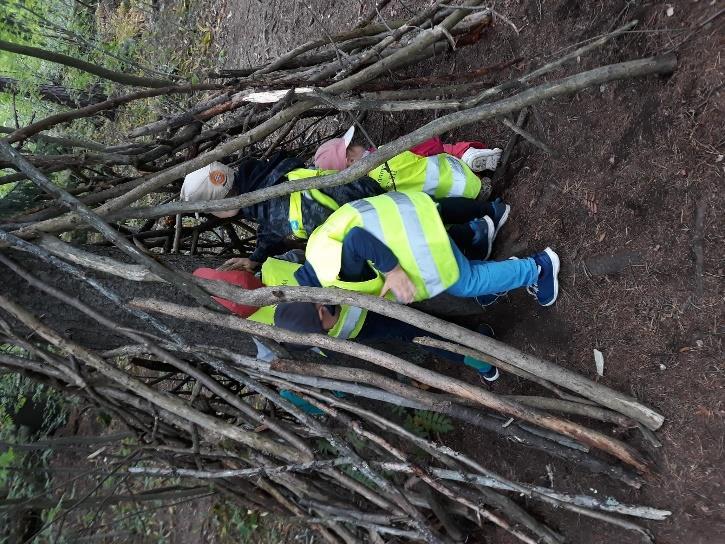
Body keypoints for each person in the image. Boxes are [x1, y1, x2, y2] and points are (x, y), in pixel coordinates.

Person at [272, 192, 560, 379]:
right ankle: (497, 241)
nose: (330, 328)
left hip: (411, 238)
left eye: (325, 327)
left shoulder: (331, 275)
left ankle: (537, 269)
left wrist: (393, 271)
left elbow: (357, 239)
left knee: (465, 282)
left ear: (320, 310)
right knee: (464, 275)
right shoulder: (313, 262)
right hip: (405, 220)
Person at [192, 252, 503, 382]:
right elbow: (306, 258)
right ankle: (482, 306)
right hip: (359, 292)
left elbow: (272, 357)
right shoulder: (272, 268)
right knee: (418, 301)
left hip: (355, 326)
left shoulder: (256, 327)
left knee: (411, 330)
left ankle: (478, 356)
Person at [180, 152, 384, 271]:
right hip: (373, 190)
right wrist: (256, 257)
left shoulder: (273, 211)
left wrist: (258, 261)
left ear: (221, 207)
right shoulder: (271, 176)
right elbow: (270, 228)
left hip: (379, 229)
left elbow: (276, 222)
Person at [314, 126, 503, 200]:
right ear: (350, 160)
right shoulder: (387, 153)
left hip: (458, 202)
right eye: (351, 146)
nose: (356, 144)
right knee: (448, 150)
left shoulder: (373, 194)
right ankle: (469, 154)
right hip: (465, 178)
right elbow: (432, 144)